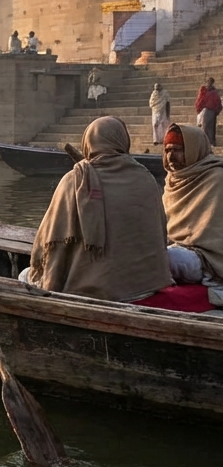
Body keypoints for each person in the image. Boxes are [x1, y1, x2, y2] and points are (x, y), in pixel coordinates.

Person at [25, 116, 172, 302]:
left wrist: (48, 280)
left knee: (26, 275)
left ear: (88, 143)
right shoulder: (147, 178)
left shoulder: (73, 181)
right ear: (123, 141)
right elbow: (160, 232)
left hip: (93, 292)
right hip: (147, 287)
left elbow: (51, 243)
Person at [162, 123, 223, 285]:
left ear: (194, 150)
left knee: (160, 259)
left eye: (177, 150)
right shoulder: (172, 180)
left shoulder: (217, 178)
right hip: (173, 249)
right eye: (168, 150)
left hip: (206, 260)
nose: (171, 156)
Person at [195, 77, 221, 147]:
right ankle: (208, 141)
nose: (208, 83)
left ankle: (210, 141)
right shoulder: (204, 91)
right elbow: (200, 100)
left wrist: (217, 110)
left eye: (210, 82)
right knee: (206, 127)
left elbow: (217, 102)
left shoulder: (213, 92)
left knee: (209, 127)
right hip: (206, 111)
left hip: (211, 111)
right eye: (208, 82)